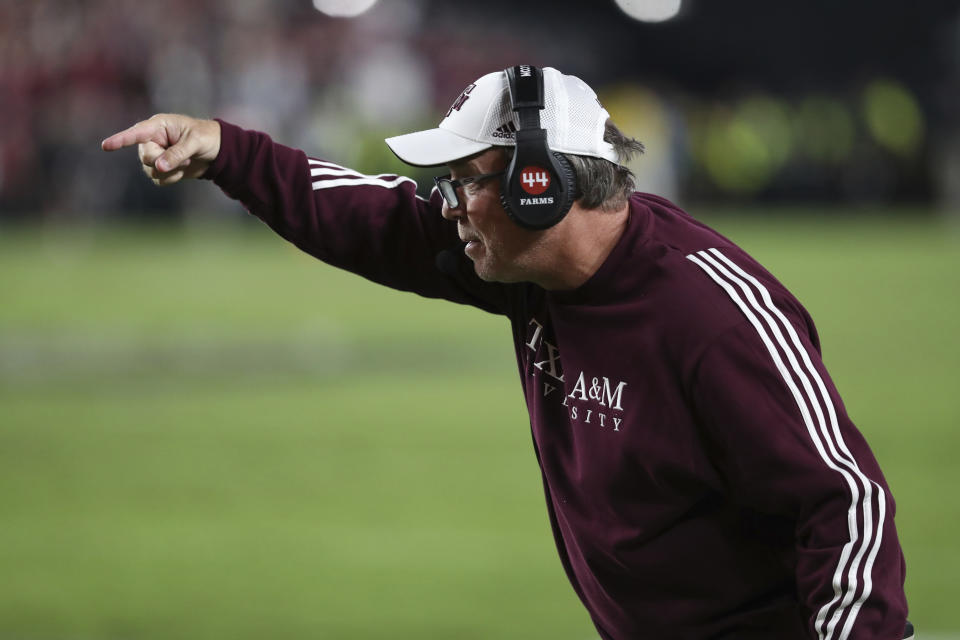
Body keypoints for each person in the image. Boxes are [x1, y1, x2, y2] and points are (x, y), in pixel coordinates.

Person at [102, 66, 912, 640]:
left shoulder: (712, 315)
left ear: (542, 184)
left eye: (465, 179)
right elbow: (372, 221)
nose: (447, 203)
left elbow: (846, 504)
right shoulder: (523, 269)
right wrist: (225, 150)